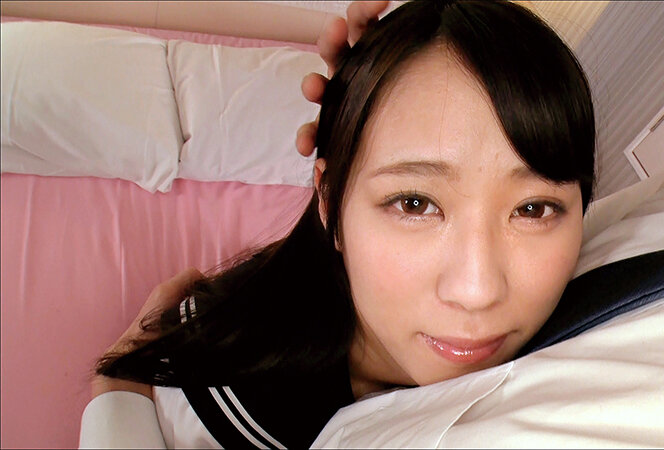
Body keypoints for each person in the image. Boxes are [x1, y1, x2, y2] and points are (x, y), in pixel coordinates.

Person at [85, 0, 595, 447]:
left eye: (533, 209)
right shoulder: (217, 408)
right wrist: (117, 396)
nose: (477, 291)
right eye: (414, 204)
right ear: (329, 201)